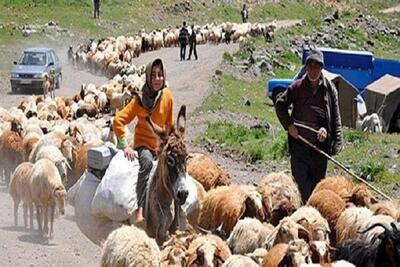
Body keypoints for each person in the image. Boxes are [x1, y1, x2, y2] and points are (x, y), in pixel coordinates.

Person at [275, 49, 342, 203]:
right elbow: (280, 105)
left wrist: (329, 134)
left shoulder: (329, 89)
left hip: (319, 148)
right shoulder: (296, 87)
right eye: (310, 66)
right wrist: (289, 125)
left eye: (316, 67)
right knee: (301, 188)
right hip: (299, 146)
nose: (313, 70)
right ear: (306, 67)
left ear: (321, 68)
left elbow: (335, 117)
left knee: (317, 189)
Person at [113, 58, 174, 226]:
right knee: (146, 164)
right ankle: (139, 209)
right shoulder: (139, 100)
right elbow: (118, 120)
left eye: (160, 75)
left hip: (161, 146)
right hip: (144, 146)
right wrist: (124, 145)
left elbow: (169, 124)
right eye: (153, 75)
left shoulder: (167, 96)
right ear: (148, 77)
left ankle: (178, 214)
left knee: (175, 168)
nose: (157, 79)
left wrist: (172, 143)